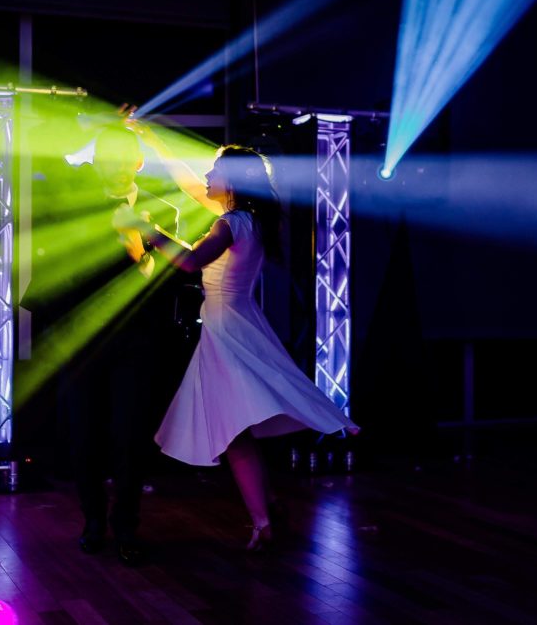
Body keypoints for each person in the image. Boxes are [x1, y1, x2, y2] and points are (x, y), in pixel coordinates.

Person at [123, 135, 360, 550]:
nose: (207, 176)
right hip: (232, 322)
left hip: (228, 329)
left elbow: (192, 262)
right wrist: (153, 139)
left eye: (215, 171)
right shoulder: (248, 219)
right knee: (234, 429)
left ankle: (264, 522)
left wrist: (152, 232)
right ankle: (266, 511)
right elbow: (188, 182)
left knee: (233, 430)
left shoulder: (231, 223)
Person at [26, 121, 187, 565]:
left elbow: (169, 279)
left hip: (137, 338)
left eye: (124, 159)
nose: (115, 168)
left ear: (138, 162)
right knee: (84, 437)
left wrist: (143, 244)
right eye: (107, 160)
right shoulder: (73, 207)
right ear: (96, 163)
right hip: (83, 339)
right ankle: (93, 520)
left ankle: (126, 524)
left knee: (131, 436)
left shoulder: (162, 209)